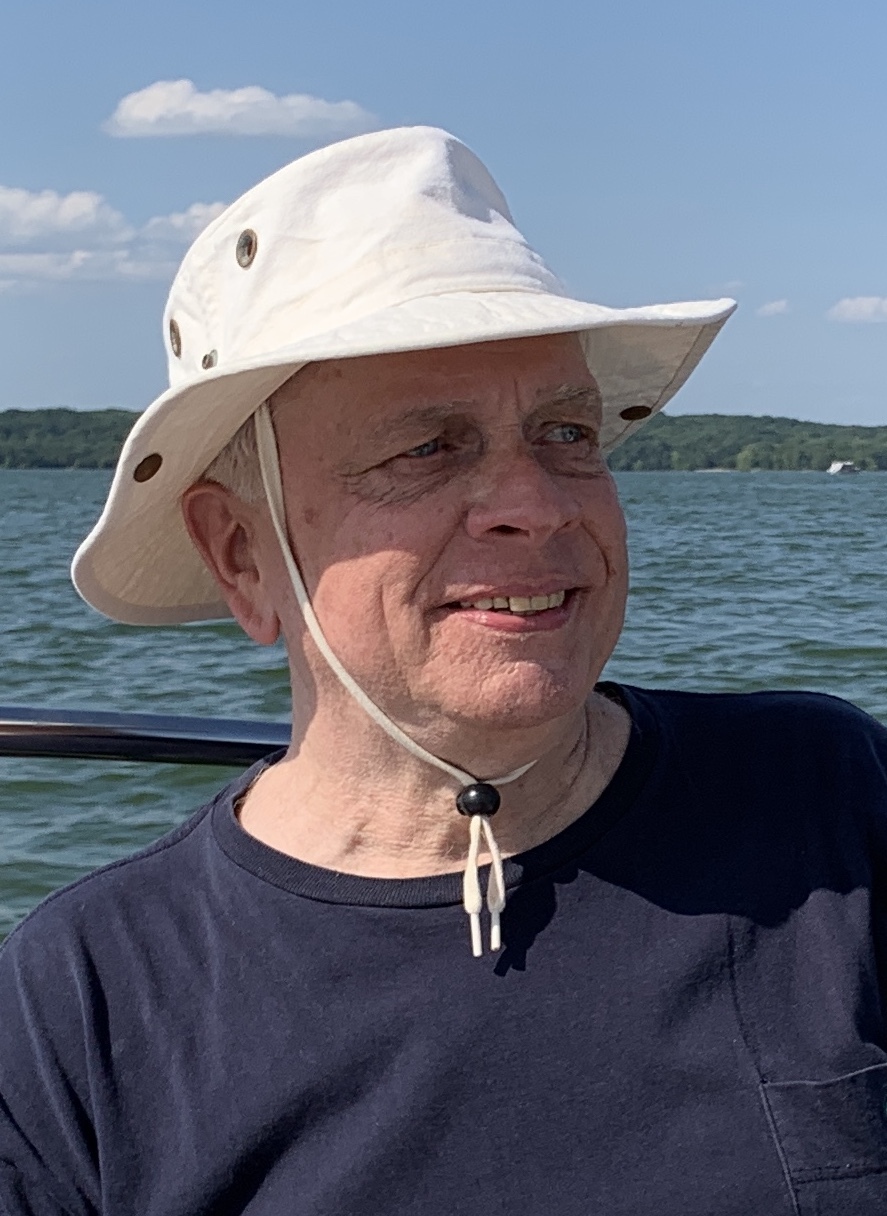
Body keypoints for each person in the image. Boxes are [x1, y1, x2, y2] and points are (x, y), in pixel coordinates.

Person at [2, 126, 887, 1216]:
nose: (538, 504)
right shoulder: (90, 999)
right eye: (425, 448)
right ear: (241, 554)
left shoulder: (821, 799)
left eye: (566, 433)